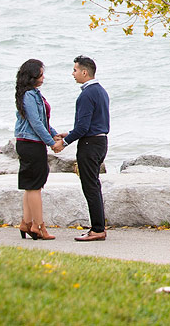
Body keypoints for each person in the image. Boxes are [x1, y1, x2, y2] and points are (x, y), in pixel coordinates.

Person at [54, 55, 110, 242]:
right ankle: (99, 226)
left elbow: (83, 128)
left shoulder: (86, 94)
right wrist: (69, 133)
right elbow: (91, 123)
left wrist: (64, 142)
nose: (73, 74)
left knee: (90, 186)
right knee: (94, 184)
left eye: (75, 70)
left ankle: (97, 229)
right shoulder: (101, 91)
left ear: (85, 72)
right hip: (101, 141)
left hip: (90, 144)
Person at [13, 58, 58, 240]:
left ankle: (26, 223)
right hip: (31, 144)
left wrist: (55, 135)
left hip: (30, 142)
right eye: (41, 74)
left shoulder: (32, 94)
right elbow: (36, 123)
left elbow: (43, 122)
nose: (43, 77)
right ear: (33, 76)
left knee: (30, 186)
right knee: (35, 187)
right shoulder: (29, 96)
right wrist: (51, 142)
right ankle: (39, 227)